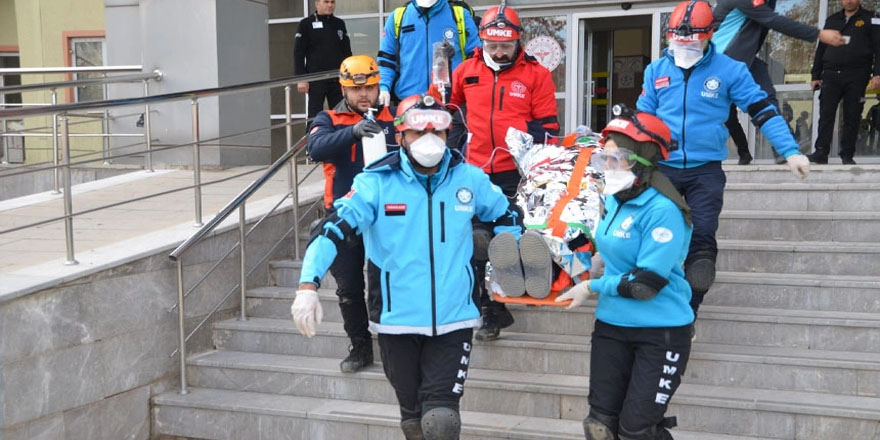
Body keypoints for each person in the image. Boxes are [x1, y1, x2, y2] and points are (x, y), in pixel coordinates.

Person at [291, 93, 524, 440]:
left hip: (454, 318)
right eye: (418, 132)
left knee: (441, 422)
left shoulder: (469, 179)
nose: (430, 139)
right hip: (396, 321)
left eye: (438, 131)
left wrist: (507, 251)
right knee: (414, 422)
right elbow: (332, 229)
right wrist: (307, 286)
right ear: (399, 135)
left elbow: (507, 215)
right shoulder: (376, 182)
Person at [637, 0, 810, 317]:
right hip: (663, 170)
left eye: (691, 42)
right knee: (660, 238)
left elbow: (762, 110)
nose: (683, 48)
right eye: (678, 41)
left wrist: (790, 151)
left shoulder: (730, 70)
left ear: (709, 35)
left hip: (706, 173)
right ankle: (658, 300)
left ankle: (690, 310)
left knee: (701, 243)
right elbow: (642, 120)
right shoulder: (656, 71)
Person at [554, 107, 694, 440]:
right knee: (600, 426)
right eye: (606, 158)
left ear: (645, 163)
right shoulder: (616, 200)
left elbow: (646, 284)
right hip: (612, 328)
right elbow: (615, 249)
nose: (610, 167)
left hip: (660, 332)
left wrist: (592, 287)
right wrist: (592, 262)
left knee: (637, 430)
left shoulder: (663, 210)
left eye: (620, 159)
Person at [448, 4, 560, 340]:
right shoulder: (465, 71)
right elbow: (450, 112)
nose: (499, 52)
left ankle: (513, 292)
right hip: (474, 170)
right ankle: (489, 310)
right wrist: (452, 150)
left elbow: (550, 128)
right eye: (492, 46)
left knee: (508, 240)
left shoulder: (535, 74)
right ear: (482, 41)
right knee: (474, 242)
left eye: (505, 46)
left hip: (516, 172)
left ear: (517, 42)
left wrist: (525, 133)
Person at [305, 55, 397, 373]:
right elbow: (315, 148)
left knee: (387, 282)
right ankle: (359, 346)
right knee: (348, 288)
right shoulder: (328, 118)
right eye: (356, 89)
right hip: (342, 215)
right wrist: (355, 131)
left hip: (387, 218)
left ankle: (394, 343)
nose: (364, 95)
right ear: (344, 89)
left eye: (370, 88)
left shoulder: (395, 117)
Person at [713, 0, 845, 164]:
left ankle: (783, 148)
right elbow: (773, 20)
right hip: (722, 59)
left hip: (743, 58)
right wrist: (819, 34)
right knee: (724, 113)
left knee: (767, 97)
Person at [809, 0, 880, 165]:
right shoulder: (832, 19)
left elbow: (879, 48)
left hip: (857, 75)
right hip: (831, 74)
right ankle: (821, 152)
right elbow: (821, 48)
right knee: (826, 114)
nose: (848, 1)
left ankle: (847, 155)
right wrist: (815, 75)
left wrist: (877, 74)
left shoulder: (872, 18)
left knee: (852, 115)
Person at [377, 0, 480, 105]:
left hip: (450, 100)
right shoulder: (398, 17)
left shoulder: (460, 15)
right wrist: (384, 87)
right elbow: (386, 59)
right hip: (408, 101)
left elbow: (476, 57)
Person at [294, 0, 352, 120]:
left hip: (338, 79)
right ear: (317, 4)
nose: (330, 5)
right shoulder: (306, 24)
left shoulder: (339, 23)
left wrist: (350, 75)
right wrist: (301, 78)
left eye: (332, 2)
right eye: (326, 2)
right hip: (316, 79)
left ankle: (342, 138)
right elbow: (298, 53)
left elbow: (347, 52)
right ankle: (313, 138)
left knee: (341, 115)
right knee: (314, 117)